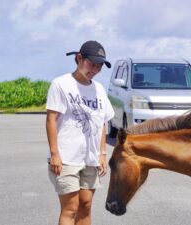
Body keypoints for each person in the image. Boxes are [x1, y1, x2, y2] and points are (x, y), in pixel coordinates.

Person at [46, 40, 114, 225]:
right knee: (71, 208)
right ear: (79, 58)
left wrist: (102, 154)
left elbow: (102, 124)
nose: (95, 69)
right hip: (66, 157)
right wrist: (54, 154)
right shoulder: (61, 84)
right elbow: (51, 119)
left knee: (86, 206)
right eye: (92, 63)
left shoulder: (99, 90)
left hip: (90, 159)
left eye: (100, 65)